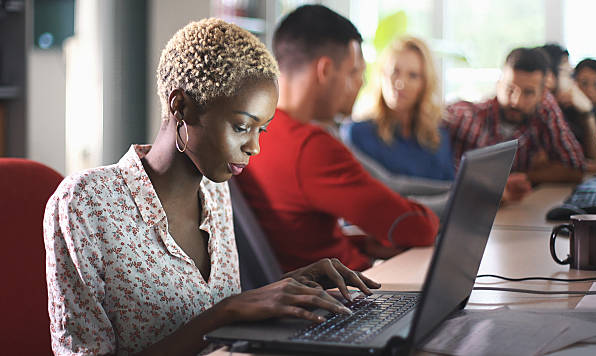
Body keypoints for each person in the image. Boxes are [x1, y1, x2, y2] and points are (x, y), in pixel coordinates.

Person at [44, 18, 381, 356]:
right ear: (181, 106)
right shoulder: (85, 203)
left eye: (260, 130)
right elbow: (218, 315)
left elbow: (215, 312)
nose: (254, 147)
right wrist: (223, 315)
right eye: (241, 126)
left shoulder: (216, 188)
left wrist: (287, 287)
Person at [235, 5, 439, 273]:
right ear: (325, 70)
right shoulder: (310, 146)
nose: (359, 85)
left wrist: (363, 242)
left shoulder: (254, 133)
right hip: (348, 295)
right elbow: (414, 226)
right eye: (353, 72)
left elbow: (303, 232)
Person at [445, 47, 585, 202]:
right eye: (510, 89)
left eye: (529, 92)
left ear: (542, 94)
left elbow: (575, 168)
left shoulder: (544, 111)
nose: (516, 101)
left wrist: (525, 176)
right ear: (498, 85)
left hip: (511, 214)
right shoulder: (466, 117)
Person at [340, 36, 454, 216]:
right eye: (395, 72)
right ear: (381, 75)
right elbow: (381, 199)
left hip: (434, 230)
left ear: (425, 84)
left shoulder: (437, 135)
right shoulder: (357, 133)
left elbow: (452, 192)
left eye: (413, 75)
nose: (400, 83)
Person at [539, 44, 596, 159]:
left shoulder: (567, 108)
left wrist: (588, 113)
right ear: (548, 77)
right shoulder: (540, 109)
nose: (573, 80)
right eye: (566, 72)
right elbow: (573, 166)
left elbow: (591, 157)